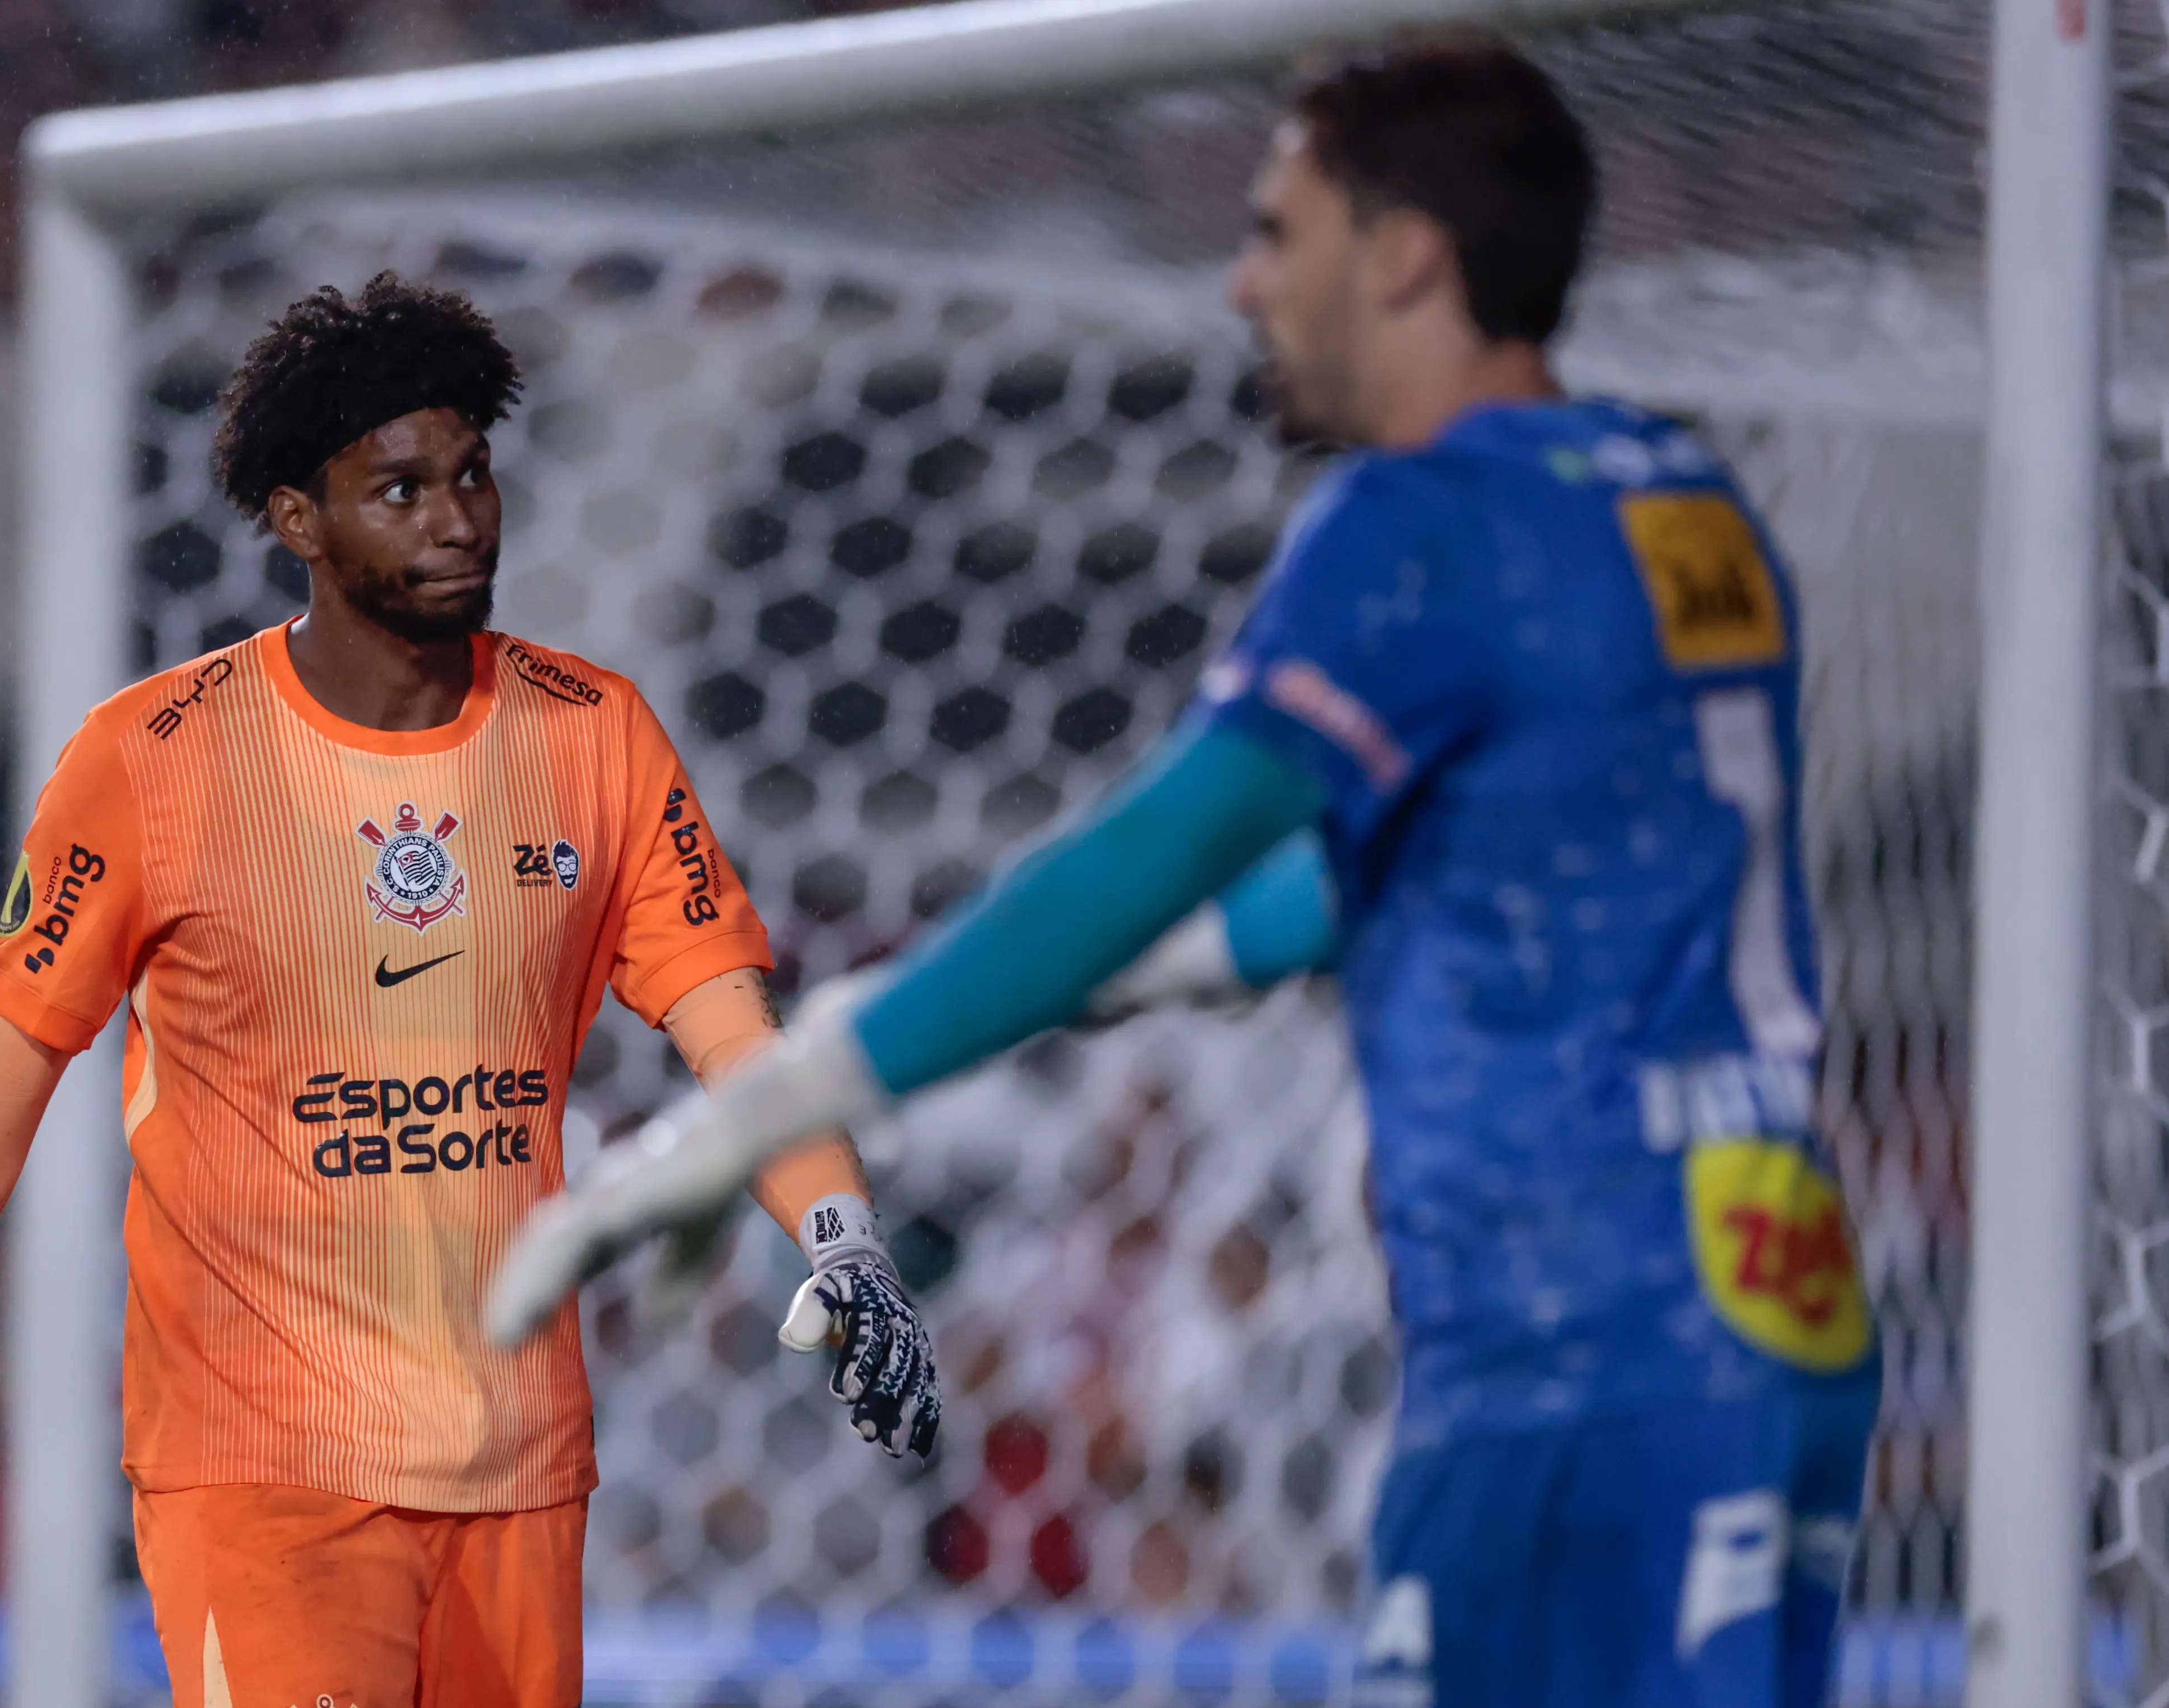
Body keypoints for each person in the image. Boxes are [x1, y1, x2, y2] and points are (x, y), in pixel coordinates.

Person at [491, 43, 1877, 1708]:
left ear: (1404, 258)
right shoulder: (1683, 504)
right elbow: (1408, 877)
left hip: (1568, 1340)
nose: (1241, 282)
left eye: (1275, 232)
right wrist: (1134, 974)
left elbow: (1155, 849)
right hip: (1767, 1305)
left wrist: (773, 1094)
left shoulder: (1416, 521)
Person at [0, 273, 941, 1707]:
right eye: (401, 487)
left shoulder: (594, 735)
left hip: (517, 1464)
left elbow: (734, 1027)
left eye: (472, 472)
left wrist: (842, 1235)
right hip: (265, 1473)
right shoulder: (152, 762)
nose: (456, 516)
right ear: (299, 521)